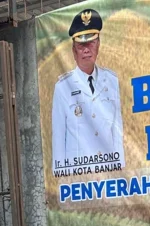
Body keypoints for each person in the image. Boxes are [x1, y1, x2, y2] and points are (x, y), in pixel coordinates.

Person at [50, 9, 124, 177]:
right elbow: (59, 137)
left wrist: (120, 167)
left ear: (98, 45)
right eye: (80, 45)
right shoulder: (63, 87)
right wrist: (62, 179)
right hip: (79, 179)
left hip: (108, 173)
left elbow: (117, 130)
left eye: (90, 43)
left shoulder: (112, 80)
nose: (86, 50)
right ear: (74, 50)